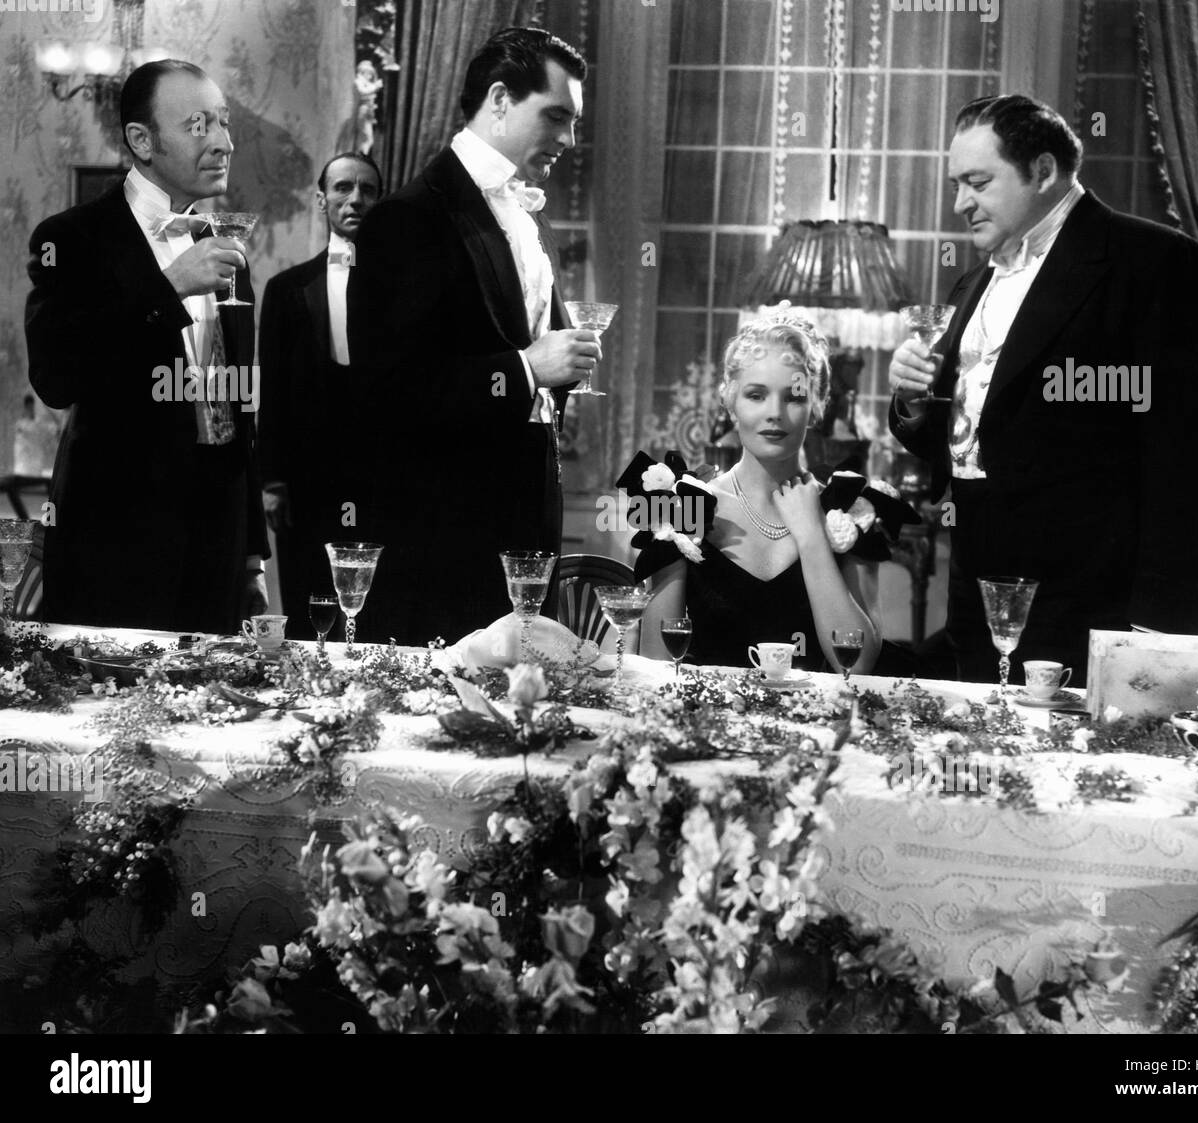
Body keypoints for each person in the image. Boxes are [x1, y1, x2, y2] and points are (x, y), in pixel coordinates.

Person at [888, 94, 1198, 684]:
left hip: (1097, 613)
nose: (959, 203)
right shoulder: (972, 282)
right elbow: (971, 441)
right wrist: (913, 402)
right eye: (956, 184)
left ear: (1044, 171)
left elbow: (1194, 463)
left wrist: (1159, 625)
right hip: (979, 604)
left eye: (977, 181)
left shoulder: (1156, 263)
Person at [348, 26, 595, 646]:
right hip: (441, 546)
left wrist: (555, 370)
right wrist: (527, 369)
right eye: (557, 117)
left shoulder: (523, 212)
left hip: (524, 532)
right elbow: (388, 392)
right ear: (500, 99)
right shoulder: (407, 220)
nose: (568, 140)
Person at [26, 59, 268, 633]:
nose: (224, 143)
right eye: (199, 125)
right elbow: (56, 376)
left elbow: (235, 409)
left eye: (225, 123)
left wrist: (251, 550)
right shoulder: (71, 239)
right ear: (141, 140)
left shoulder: (225, 245)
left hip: (218, 551)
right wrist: (169, 287)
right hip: (114, 543)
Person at [637, 313, 897, 675]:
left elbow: (855, 666)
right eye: (756, 395)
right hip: (705, 723)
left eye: (793, 397)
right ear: (729, 401)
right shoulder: (684, 506)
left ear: (817, 404)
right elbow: (656, 662)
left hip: (814, 726)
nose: (774, 413)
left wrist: (811, 537)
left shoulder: (851, 511)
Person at [259, 152, 383, 639]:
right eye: (343, 187)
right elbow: (268, 389)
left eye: (368, 190)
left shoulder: (407, 287)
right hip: (306, 481)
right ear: (321, 199)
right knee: (309, 603)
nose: (356, 199)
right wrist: (271, 479)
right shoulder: (287, 289)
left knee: (377, 610)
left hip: (383, 480)